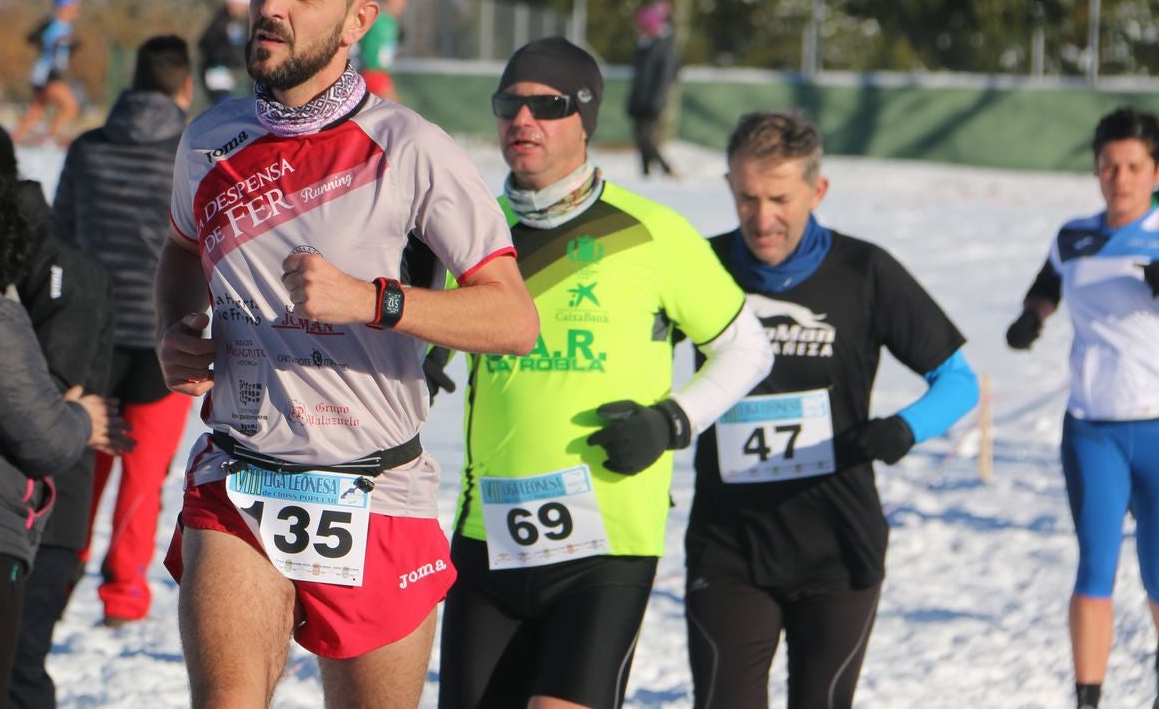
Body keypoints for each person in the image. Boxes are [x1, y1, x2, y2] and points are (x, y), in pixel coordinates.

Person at [155, 0, 538, 709]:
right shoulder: (210, 140)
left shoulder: (409, 147)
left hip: (375, 486)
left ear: (359, 19)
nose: (271, 6)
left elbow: (512, 319)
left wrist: (377, 301)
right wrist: (174, 329)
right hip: (242, 479)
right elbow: (184, 249)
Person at [436, 37, 774, 709]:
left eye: (548, 105)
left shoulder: (652, 232)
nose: (522, 120)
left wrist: (670, 421)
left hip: (606, 541)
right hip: (488, 536)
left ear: (586, 118)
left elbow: (748, 349)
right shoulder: (472, 231)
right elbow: (422, 340)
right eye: (510, 103)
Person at [684, 111, 979, 709]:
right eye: (746, 198)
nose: (762, 219)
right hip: (729, 544)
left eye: (779, 198)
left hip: (838, 545)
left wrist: (904, 427)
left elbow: (958, 381)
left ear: (817, 191)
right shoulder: (700, 266)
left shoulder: (865, 272)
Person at [0, 129, 122, 708]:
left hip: (26, 521)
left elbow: (47, 409)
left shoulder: (47, 274)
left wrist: (69, 414)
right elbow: (47, 421)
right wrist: (74, 414)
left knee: (16, 672)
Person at [1005, 107, 1159, 709]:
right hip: (1093, 428)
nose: (1119, 179)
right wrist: (1031, 318)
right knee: (1094, 565)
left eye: (1133, 167)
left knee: (1157, 571)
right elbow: (1049, 283)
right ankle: (1088, 697)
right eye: (1108, 166)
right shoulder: (1075, 234)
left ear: (1154, 171)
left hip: (1156, 425)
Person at [51, 35, 197, 628]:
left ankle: (55, 582)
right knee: (144, 477)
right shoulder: (193, 153)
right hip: (167, 338)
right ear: (184, 85)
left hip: (90, 338)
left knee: (81, 469)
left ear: (131, 82)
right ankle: (124, 598)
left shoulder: (88, 150)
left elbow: (60, 238)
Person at [13, 0, 82, 145]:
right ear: (63, 6)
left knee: (36, 111)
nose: (77, 11)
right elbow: (34, 39)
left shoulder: (65, 26)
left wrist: (71, 47)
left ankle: (14, 138)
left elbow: (60, 49)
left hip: (44, 73)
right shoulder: (53, 24)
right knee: (71, 106)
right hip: (48, 73)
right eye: (74, 6)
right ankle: (48, 137)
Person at [626, 0, 679, 178]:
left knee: (646, 139)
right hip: (640, 101)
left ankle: (667, 168)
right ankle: (646, 173)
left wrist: (656, 101)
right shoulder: (644, 46)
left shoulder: (663, 47)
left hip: (652, 102)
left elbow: (664, 77)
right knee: (641, 140)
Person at [197, 0, 252, 104]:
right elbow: (209, 48)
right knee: (227, 109)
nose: (245, 9)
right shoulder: (220, 25)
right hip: (220, 80)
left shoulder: (237, 24)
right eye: (242, 5)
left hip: (232, 81)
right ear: (233, 4)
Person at [356, 0, 406, 100]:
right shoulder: (376, 18)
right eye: (398, 0)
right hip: (371, 72)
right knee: (395, 110)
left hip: (382, 73)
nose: (402, 5)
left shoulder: (393, 23)